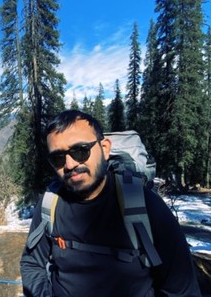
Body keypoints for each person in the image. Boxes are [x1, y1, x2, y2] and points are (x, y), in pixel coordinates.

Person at [20, 109, 201, 296]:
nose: (69, 165)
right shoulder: (50, 203)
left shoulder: (146, 206)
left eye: (81, 151)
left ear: (105, 148)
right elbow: (32, 263)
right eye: (58, 158)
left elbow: (182, 290)